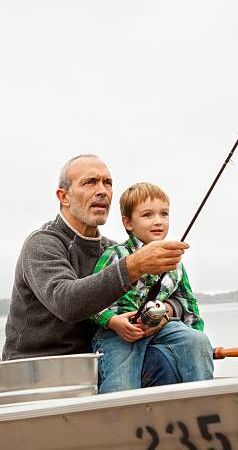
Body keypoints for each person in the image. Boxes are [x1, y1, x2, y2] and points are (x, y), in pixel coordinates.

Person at [2, 155, 186, 387]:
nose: (102, 191)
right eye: (90, 182)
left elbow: (180, 300)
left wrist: (163, 312)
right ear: (63, 196)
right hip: (37, 374)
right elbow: (67, 302)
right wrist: (134, 266)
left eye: (107, 183)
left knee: (166, 359)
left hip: (97, 365)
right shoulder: (42, 244)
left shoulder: (113, 250)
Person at [90, 182, 214, 393]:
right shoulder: (115, 255)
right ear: (128, 223)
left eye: (164, 214)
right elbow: (91, 300)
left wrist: (196, 342)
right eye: (147, 215)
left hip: (161, 329)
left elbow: (187, 304)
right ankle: (117, 419)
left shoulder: (175, 263)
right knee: (121, 384)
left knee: (197, 341)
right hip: (117, 333)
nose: (158, 221)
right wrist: (111, 321)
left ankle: (202, 402)